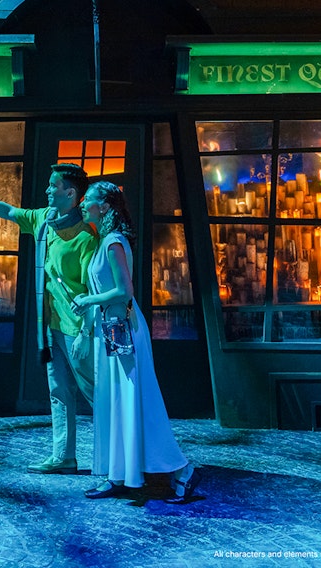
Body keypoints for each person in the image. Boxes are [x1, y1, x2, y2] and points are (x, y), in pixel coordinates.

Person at [0, 163, 98, 474]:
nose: (47, 190)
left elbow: (92, 291)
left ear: (70, 193)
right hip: (50, 326)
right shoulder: (44, 219)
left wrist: (86, 333)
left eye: (54, 186)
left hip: (76, 330)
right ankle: (64, 457)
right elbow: (6, 210)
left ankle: (121, 458)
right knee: (59, 393)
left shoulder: (85, 237)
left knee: (97, 394)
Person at [70, 180, 199, 503]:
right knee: (115, 401)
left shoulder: (113, 242)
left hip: (123, 328)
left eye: (88, 200)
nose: (82, 204)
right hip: (111, 328)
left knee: (137, 400)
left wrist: (88, 300)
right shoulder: (103, 241)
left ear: (105, 206)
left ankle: (182, 469)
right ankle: (118, 474)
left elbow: (124, 291)